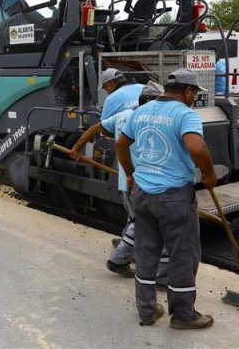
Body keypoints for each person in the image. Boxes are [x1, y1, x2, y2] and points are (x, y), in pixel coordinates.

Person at [117, 68, 218, 330]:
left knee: (145, 252)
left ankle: (147, 310)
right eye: (194, 94)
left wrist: (130, 174)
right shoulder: (184, 114)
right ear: (187, 91)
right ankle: (183, 315)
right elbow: (197, 146)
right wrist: (209, 174)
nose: (193, 98)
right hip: (174, 196)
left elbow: (120, 144)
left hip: (143, 194)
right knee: (182, 254)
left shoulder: (142, 111)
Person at [70, 82, 169, 282]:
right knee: (143, 222)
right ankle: (122, 259)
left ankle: (127, 253)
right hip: (139, 181)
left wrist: (76, 148)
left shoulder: (123, 116)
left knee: (136, 219)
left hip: (126, 180)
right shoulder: (149, 120)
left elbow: (96, 129)